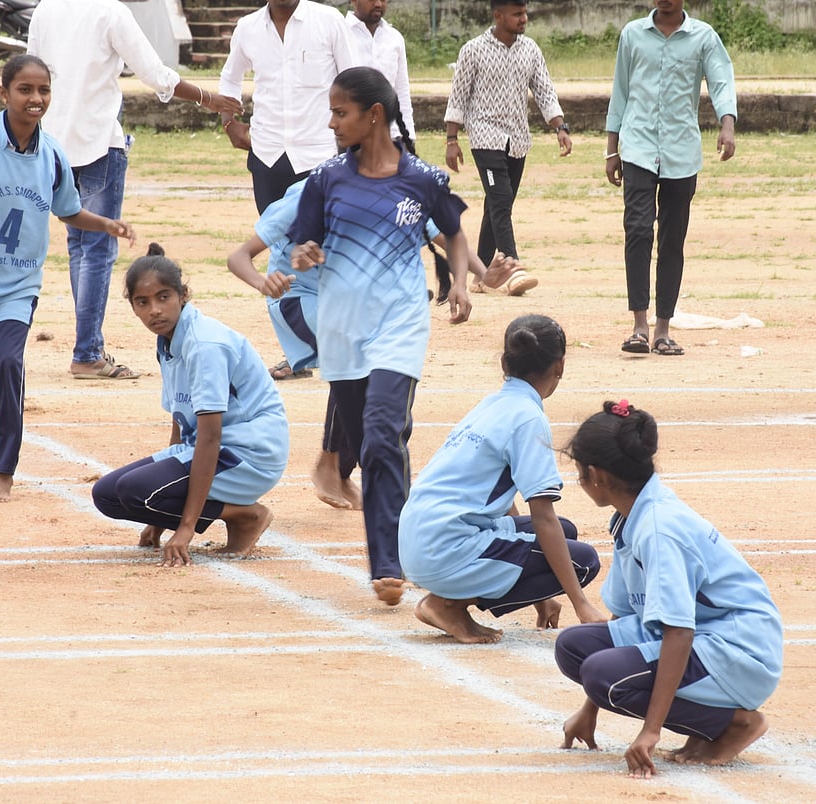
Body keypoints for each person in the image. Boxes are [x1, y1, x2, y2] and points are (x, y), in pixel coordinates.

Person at [289, 66, 474, 606]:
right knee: (376, 445)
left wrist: (461, 282)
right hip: (342, 331)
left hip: (400, 324)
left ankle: (388, 562)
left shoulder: (424, 180)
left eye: (339, 112)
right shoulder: (326, 179)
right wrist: (304, 254)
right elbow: (302, 244)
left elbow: (454, 234)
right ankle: (402, 517)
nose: (331, 123)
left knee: (379, 435)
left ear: (373, 115)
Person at [229, 178, 519, 511]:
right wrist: (263, 282)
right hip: (299, 295)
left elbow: (448, 236)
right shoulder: (307, 198)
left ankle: (341, 469)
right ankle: (333, 464)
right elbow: (238, 257)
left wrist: (481, 275)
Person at [0, 55, 136, 504]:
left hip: (18, 285)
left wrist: (106, 224)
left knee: (9, 365)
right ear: (4, 93)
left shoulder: (53, 154)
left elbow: (68, 210)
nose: (35, 98)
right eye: (25, 89)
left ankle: (3, 471)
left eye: (43, 90)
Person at [555, 400, 782, 776]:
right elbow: (625, 615)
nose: (579, 480)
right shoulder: (630, 516)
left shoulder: (659, 528)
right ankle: (709, 720)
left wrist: (650, 731)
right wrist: (589, 708)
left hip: (737, 649)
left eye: (579, 472)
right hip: (701, 635)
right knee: (573, 647)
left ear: (596, 475)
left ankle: (734, 723)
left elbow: (679, 631)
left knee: (603, 676)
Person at [28, 0, 242, 380]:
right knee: (96, 251)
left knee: (80, 247)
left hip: (55, 146)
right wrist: (208, 98)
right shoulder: (110, 11)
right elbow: (155, 74)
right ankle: (87, 353)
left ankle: (88, 348)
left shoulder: (46, 9)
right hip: (99, 142)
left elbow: (32, 73)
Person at [398, 315, 605, 644]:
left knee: (565, 531)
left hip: (419, 539)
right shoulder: (528, 418)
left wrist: (540, 595)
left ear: (504, 363)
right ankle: (447, 604)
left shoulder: (492, 405)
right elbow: (543, 517)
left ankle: (449, 599)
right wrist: (582, 605)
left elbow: (501, 497)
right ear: (560, 366)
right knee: (583, 562)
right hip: (445, 550)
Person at [92, 244, 289, 567]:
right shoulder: (168, 341)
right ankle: (231, 512)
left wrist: (184, 528)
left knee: (134, 490)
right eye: (143, 302)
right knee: (107, 495)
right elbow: (181, 421)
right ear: (133, 307)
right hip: (208, 447)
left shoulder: (204, 345)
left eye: (163, 297)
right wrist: (157, 516)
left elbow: (211, 436)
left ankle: (246, 515)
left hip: (249, 454)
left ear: (183, 295)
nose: (155, 310)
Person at [606, 0, 737, 357]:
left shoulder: (703, 37)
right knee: (637, 230)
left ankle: (663, 329)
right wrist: (612, 148)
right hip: (637, 146)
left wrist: (727, 124)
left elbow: (721, 81)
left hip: (681, 151)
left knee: (672, 238)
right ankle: (639, 326)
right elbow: (621, 90)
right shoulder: (632, 35)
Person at [445, 0, 567, 297]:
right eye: (517, 14)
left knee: (498, 204)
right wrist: (452, 139)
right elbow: (458, 96)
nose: (523, 19)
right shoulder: (473, 50)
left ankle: (482, 275)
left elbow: (544, 90)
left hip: (518, 140)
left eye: (524, 13)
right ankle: (512, 268)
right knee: (500, 201)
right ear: (498, 16)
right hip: (485, 137)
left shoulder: (530, 49)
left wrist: (560, 127)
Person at [219, 0, 358, 215]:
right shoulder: (248, 27)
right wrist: (228, 122)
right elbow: (230, 78)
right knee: (273, 233)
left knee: (319, 234)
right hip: (267, 155)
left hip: (319, 156)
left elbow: (354, 81)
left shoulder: (329, 21)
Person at [346, 0, 415, 143]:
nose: (378, 4)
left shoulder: (395, 38)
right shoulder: (341, 33)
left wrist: (409, 136)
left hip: (391, 135)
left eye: (383, 0)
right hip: (351, 135)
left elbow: (401, 91)